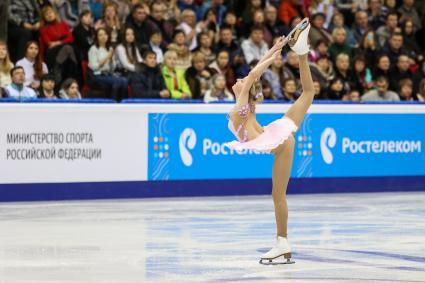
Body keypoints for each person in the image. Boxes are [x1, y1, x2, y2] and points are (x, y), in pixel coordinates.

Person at [225, 18, 314, 264]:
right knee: (308, 93)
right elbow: (254, 71)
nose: (238, 81)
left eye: (241, 82)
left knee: (278, 197)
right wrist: (277, 49)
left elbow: (254, 72)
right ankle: (303, 52)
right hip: (276, 136)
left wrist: (276, 50)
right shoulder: (245, 105)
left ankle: (282, 242)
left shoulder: (242, 104)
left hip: (278, 140)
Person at [88, 28, 128, 101]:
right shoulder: (93, 49)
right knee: (117, 82)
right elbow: (94, 67)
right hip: (96, 75)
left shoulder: (109, 48)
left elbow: (112, 69)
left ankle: (123, 103)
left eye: (105, 34)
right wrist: (107, 57)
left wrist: (111, 59)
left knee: (124, 80)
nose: (103, 36)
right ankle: (113, 103)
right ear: (97, 37)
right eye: (100, 35)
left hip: (107, 74)